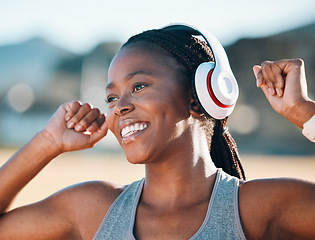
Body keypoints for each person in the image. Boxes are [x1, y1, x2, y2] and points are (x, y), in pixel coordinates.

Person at [0, 25, 314, 240]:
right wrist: (48, 142)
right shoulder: (91, 207)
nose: (119, 107)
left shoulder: (262, 206)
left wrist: (303, 113)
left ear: (198, 96)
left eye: (139, 86)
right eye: (111, 97)